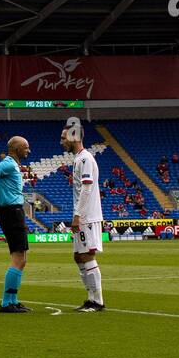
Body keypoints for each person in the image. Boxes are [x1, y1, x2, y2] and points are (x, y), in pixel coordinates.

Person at [0, 135, 32, 313]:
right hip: (11, 212)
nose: (29, 150)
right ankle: (6, 302)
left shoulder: (12, 165)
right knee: (18, 258)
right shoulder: (9, 164)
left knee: (22, 259)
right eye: (26, 147)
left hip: (11, 211)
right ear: (17, 149)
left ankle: (12, 299)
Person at [61, 124, 104, 311]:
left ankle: (98, 301)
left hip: (87, 216)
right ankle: (90, 298)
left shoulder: (85, 159)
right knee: (78, 256)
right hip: (82, 215)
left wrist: (78, 216)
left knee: (86, 255)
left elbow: (87, 188)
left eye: (64, 138)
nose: (61, 141)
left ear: (74, 137)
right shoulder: (79, 159)